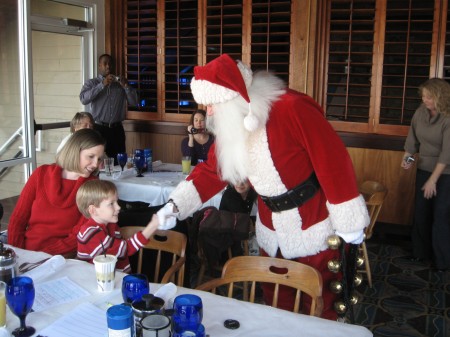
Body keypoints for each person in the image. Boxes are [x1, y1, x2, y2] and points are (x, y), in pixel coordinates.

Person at [157, 54, 369, 320]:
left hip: (313, 222)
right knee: (277, 301)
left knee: (320, 304)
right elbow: (212, 170)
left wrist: (349, 221)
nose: (208, 112)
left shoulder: (292, 107)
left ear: (234, 95)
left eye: (212, 104)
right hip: (271, 227)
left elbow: (332, 159)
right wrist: (174, 205)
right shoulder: (232, 126)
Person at [8, 128, 105, 257]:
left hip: (62, 257)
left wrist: (43, 256)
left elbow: (79, 235)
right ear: (74, 152)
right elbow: (18, 219)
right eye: (91, 156)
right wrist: (17, 253)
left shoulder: (92, 186)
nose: (95, 164)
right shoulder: (41, 174)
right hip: (26, 253)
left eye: (99, 159)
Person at [401, 78, 450, 272]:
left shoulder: (447, 118)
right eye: (423, 96)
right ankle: (420, 253)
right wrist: (408, 159)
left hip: (445, 173)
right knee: (421, 212)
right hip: (424, 167)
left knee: (441, 216)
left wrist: (433, 180)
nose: (425, 100)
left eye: (429, 97)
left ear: (441, 97)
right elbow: (412, 141)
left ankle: (442, 261)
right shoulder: (420, 112)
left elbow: (447, 154)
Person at [76, 180, 160, 273]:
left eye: (117, 201)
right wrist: (151, 227)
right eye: (111, 204)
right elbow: (125, 249)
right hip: (96, 282)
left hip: (115, 279)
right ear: (93, 210)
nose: (118, 207)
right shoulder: (91, 233)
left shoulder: (112, 225)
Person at [79, 54, 138, 162]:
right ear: (99, 66)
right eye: (105, 63)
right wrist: (102, 84)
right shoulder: (92, 83)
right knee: (99, 162)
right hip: (99, 129)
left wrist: (126, 86)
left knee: (120, 162)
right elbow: (83, 99)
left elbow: (134, 102)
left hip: (117, 129)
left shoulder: (120, 84)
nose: (108, 66)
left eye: (110, 64)